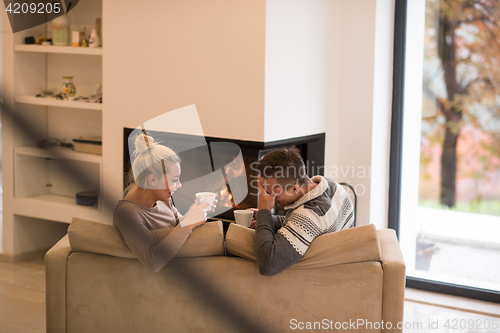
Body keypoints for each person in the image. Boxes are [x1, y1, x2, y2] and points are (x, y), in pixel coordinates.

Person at [113, 134, 215, 273]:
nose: (179, 185)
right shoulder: (126, 213)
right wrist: (188, 223)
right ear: (153, 180)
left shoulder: (163, 200)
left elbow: (177, 228)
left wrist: (195, 212)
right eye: (174, 180)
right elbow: (152, 261)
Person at [251, 147, 354, 276]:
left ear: (295, 189)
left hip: (319, 277)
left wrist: (264, 210)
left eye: (271, 192)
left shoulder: (308, 216)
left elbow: (268, 264)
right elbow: (310, 229)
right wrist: (268, 220)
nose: (267, 197)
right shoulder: (333, 186)